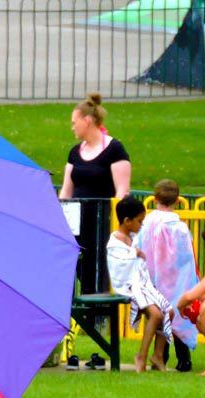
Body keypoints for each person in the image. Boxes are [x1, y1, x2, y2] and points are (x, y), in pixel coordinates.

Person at [59, 93, 132, 294]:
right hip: (78, 222)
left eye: (75, 122)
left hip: (102, 221)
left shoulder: (114, 150)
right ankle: (86, 314)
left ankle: (99, 315)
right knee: (79, 266)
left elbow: (122, 190)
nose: (72, 127)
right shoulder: (74, 152)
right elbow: (66, 189)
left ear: (87, 120)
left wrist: (116, 225)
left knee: (100, 267)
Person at [135, 179, 199, 372]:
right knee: (178, 312)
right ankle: (181, 358)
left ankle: (161, 355)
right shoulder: (178, 227)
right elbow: (185, 257)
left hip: (151, 275)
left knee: (159, 313)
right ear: (178, 201)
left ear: (154, 199)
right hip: (174, 277)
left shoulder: (146, 223)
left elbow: (139, 247)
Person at [107, 196, 174, 373]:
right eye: (139, 221)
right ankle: (141, 356)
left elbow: (140, 265)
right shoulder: (115, 242)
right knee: (156, 315)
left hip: (142, 285)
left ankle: (157, 355)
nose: (141, 225)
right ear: (127, 221)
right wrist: (133, 253)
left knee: (169, 311)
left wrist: (135, 253)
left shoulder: (132, 238)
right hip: (128, 286)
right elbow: (118, 267)